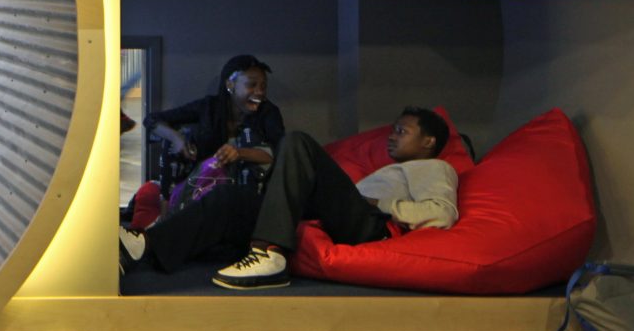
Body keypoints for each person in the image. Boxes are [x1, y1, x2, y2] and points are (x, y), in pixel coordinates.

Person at [212, 106, 459, 290]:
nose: (392, 137)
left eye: (402, 131)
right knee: (235, 197)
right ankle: (173, 253)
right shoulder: (392, 169)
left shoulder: (434, 167)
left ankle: (268, 254)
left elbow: (442, 213)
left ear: (428, 141)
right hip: (347, 217)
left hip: (373, 226)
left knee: (298, 142)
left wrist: (378, 204)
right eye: (393, 131)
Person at [119, 55, 283, 273]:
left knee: (225, 195)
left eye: (263, 86)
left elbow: (280, 155)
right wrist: (178, 140)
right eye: (252, 85)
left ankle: (146, 244)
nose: (259, 92)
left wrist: (240, 153)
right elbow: (153, 120)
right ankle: (162, 225)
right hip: (202, 188)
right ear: (230, 85)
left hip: (245, 194)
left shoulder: (268, 114)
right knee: (173, 148)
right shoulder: (209, 108)